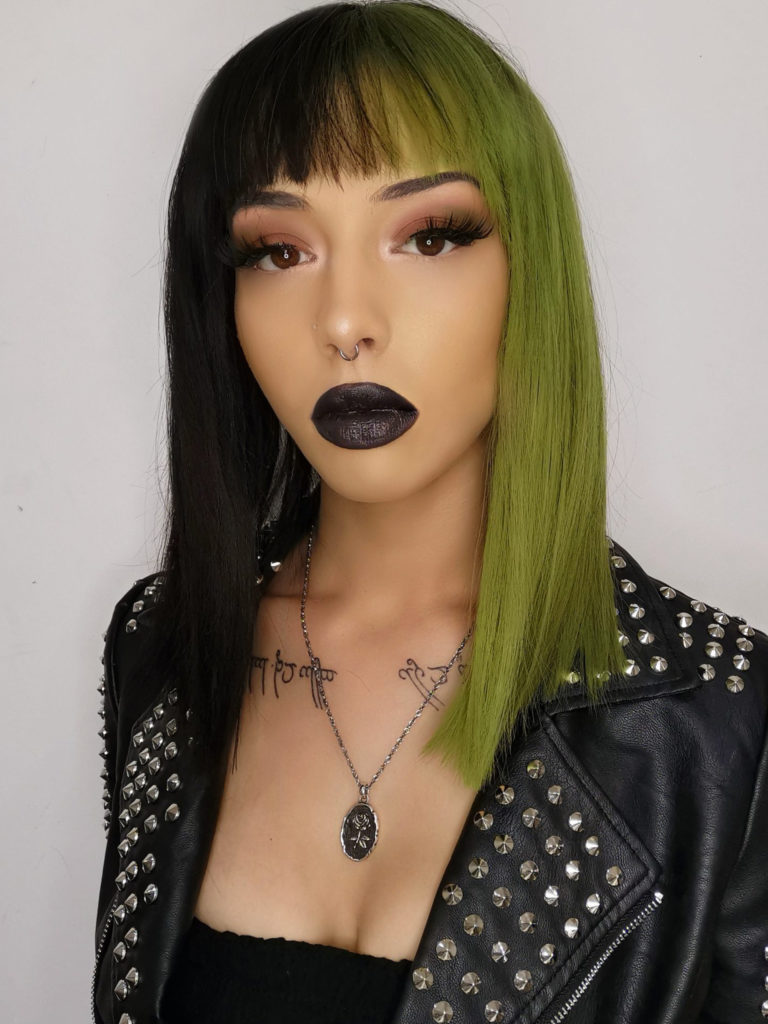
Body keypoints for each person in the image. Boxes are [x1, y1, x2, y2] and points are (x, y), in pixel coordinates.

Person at [91, 2, 768, 1022]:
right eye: (279, 252)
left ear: (529, 268)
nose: (346, 321)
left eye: (429, 236)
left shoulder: (720, 721)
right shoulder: (165, 647)